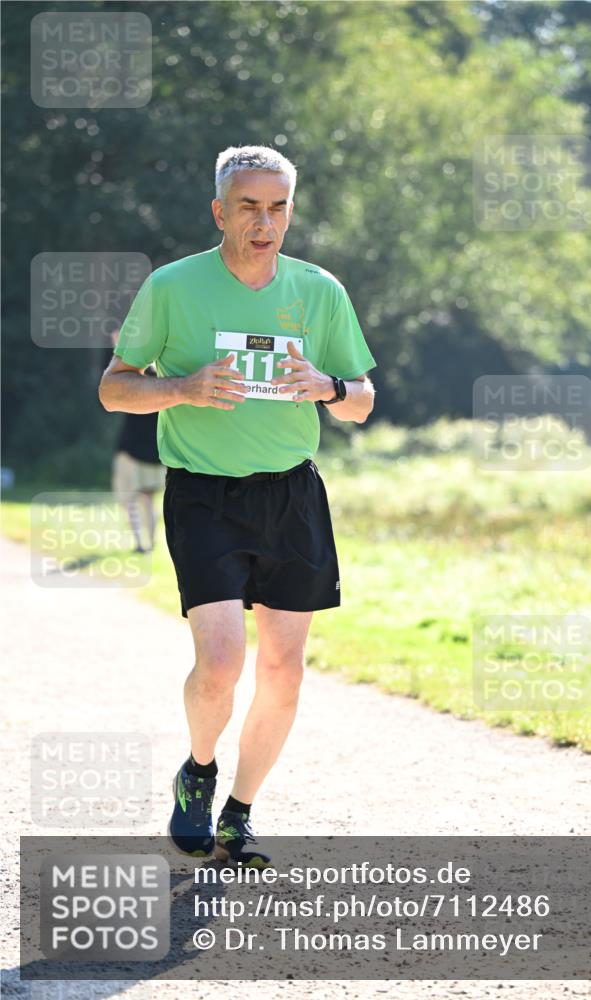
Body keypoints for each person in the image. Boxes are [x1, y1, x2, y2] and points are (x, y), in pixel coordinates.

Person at [98, 145, 376, 867]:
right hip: (204, 493)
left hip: (292, 494)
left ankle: (240, 813)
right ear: (220, 211)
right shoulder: (172, 286)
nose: (264, 222)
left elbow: (362, 400)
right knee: (221, 663)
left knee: (284, 670)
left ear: (291, 211)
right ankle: (198, 770)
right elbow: (115, 387)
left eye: (277, 207)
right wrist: (182, 388)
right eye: (249, 206)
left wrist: (327, 387)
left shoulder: (319, 291)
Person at [110, 331, 166, 553]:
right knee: (147, 499)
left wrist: (120, 349)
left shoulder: (135, 379)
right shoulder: (165, 381)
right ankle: (148, 543)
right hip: (154, 451)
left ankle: (140, 543)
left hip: (132, 450)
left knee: (130, 500)